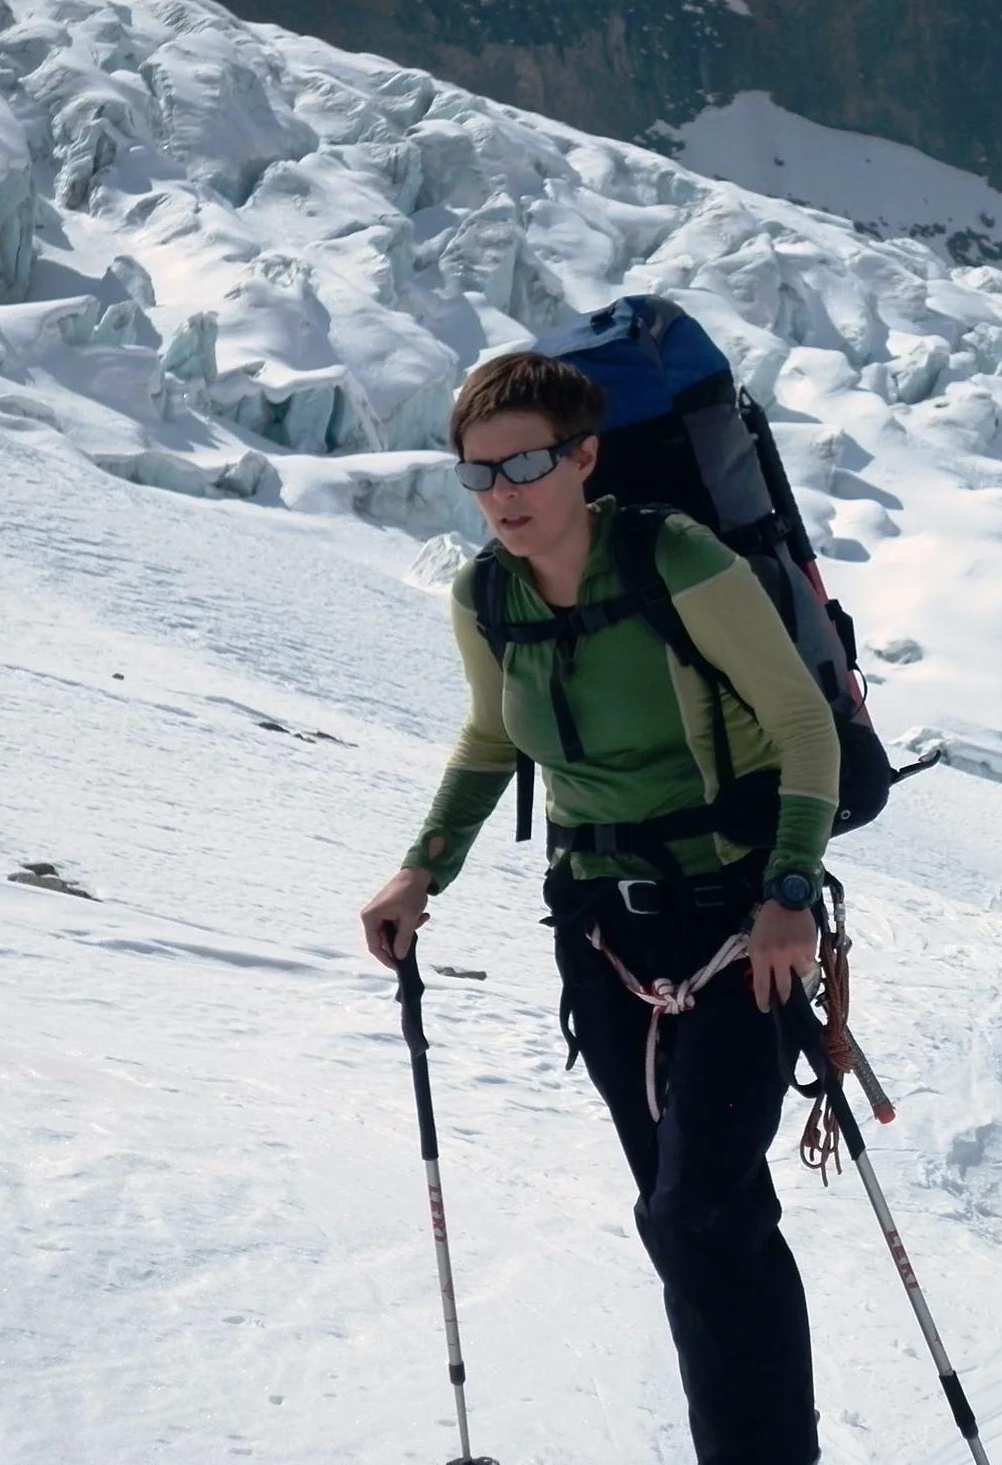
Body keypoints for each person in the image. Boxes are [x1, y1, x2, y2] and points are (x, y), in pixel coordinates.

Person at [357, 351, 840, 1465]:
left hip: (738, 918)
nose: (502, 493)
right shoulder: (486, 594)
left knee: (699, 1211)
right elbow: (491, 734)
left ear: (584, 455)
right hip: (600, 930)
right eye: (478, 473)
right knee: (683, 1218)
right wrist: (421, 867)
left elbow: (802, 724)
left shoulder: (676, 559)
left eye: (525, 463)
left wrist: (787, 894)